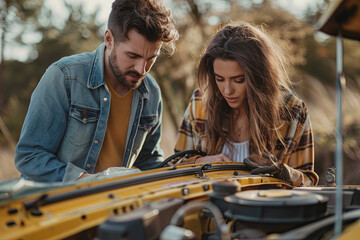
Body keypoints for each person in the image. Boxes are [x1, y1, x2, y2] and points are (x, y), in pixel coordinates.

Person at [14, 0, 179, 182]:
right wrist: (86, 181)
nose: (141, 69)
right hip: (57, 204)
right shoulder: (65, 76)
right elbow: (29, 156)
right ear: (109, 39)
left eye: (151, 58)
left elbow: (149, 162)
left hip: (116, 205)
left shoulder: (151, 93)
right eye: (133, 56)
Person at [174, 22, 318, 187]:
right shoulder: (200, 102)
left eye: (239, 80)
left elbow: (308, 182)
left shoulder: (293, 111)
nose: (227, 90)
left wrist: (283, 172)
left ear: (259, 76)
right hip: (208, 207)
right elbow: (173, 166)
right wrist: (202, 162)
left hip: (266, 207)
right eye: (219, 79)